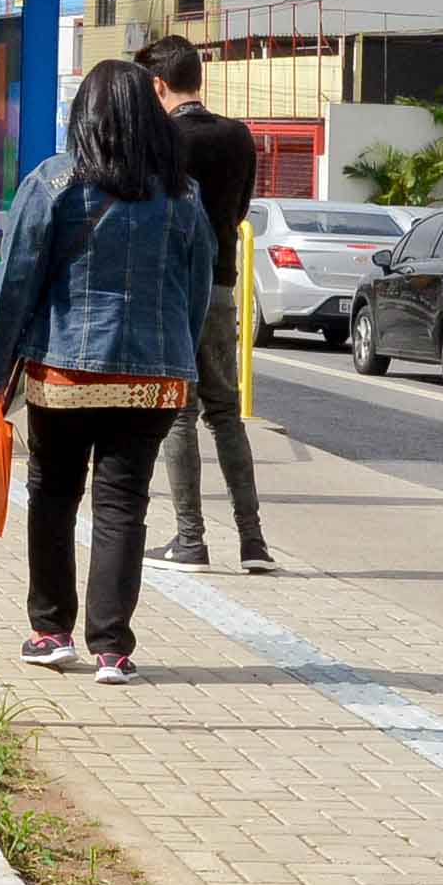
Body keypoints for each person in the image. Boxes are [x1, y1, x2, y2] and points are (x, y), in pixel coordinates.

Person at [0, 60, 212, 688]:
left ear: (85, 112)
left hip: (66, 373)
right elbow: (196, 290)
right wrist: (179, 362)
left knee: (53, 496)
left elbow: (14, 283)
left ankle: (50, 632)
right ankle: (113, 649)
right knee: (123, 507)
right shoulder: (182, 194)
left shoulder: (55, 181)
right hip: (155, 378)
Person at [137, 35, 273, 574]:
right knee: (227, 413)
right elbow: (240, 210)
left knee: (179, 414)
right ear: (199, 80)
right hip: (220, 286)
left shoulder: (160, 140)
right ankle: (253, 541)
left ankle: (189, 538)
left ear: (159, 85)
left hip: (173, 292)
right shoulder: (239, 137)